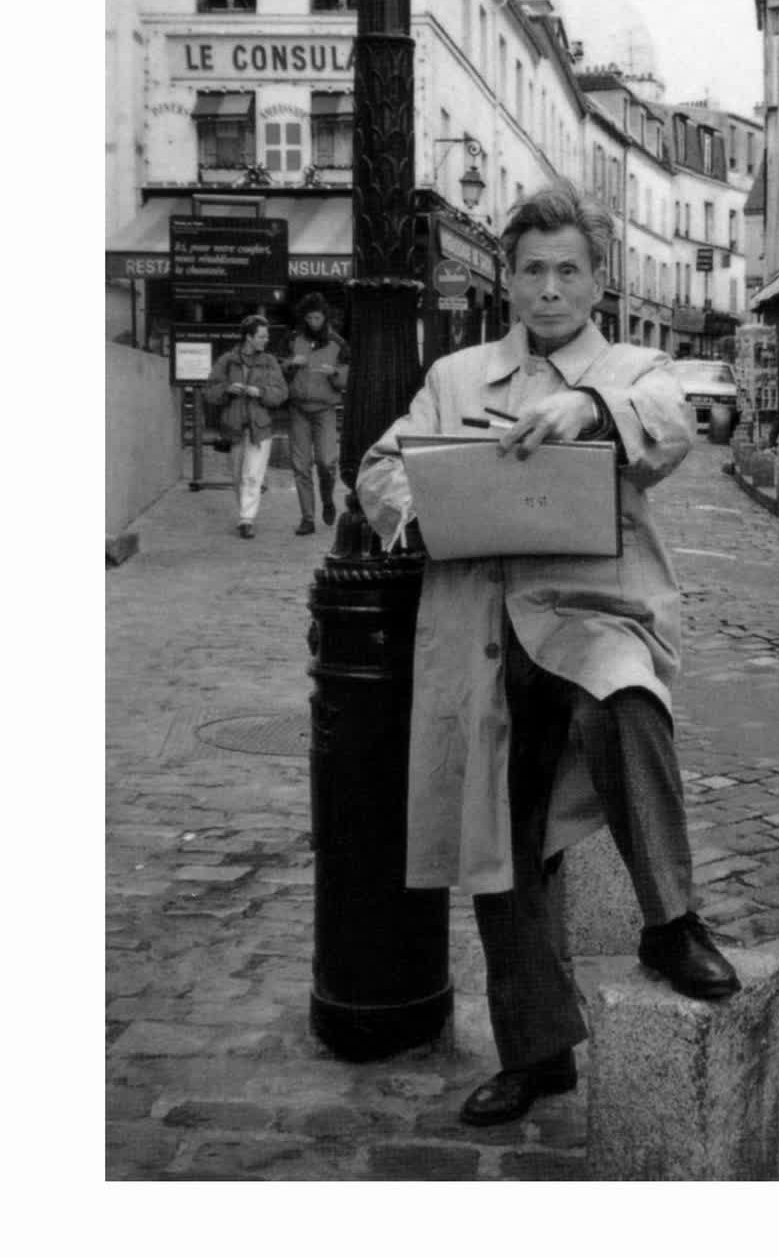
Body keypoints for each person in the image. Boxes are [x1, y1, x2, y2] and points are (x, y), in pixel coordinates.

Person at [357, 181, 740, 1127]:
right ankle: (536, 1054)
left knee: (624, 702)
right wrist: (421, 511)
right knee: (504, 838)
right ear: (510, 279)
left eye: (568, 271)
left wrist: (587, 409)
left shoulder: (636, 366)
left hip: (595, 613)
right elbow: (380, 465)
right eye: (532, 271)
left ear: (598, 281)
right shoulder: (456, 376)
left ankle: (669, 919)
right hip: (481, 628)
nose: (550, 290)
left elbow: (670, 422)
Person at [205, 315, 288, 538]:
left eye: (266, 336)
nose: (266, 340)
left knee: (252, 476)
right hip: (233, 427)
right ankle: (245, 513)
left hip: (260, 427)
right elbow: (209, 391)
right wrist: (227, 389)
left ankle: (246, 519)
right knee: (237, 477)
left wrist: (261, 392)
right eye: (262, 336)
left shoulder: (270, 361)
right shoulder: (227, 360)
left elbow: (282, 393)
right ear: (249, 337)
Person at [282, 292, 349, 535]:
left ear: (325, 317)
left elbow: (347, 379)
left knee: (326, 461)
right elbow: (278, 370)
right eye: (309, 318)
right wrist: (291, 364)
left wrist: (335, 373)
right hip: (298, 408)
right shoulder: (293, 339)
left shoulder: (338, 343)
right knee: (300, 466)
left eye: (317, 318)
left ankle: (327, 499)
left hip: (325, 409)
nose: (313, 322)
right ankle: (307, 518)